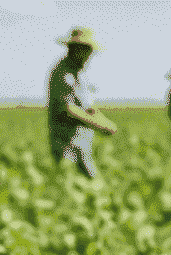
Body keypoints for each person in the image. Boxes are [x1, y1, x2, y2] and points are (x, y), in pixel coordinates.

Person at [48, 26, 116, 178]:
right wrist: (99, 125)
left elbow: (89, 108)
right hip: (67, 145)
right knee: (70, 183)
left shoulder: (80, 75)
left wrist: (106, 122)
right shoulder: (62, 74)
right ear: (75, 49)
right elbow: (69, 109)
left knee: (93, 183)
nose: (89, 56)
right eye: (87, 51)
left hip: (82, 144)